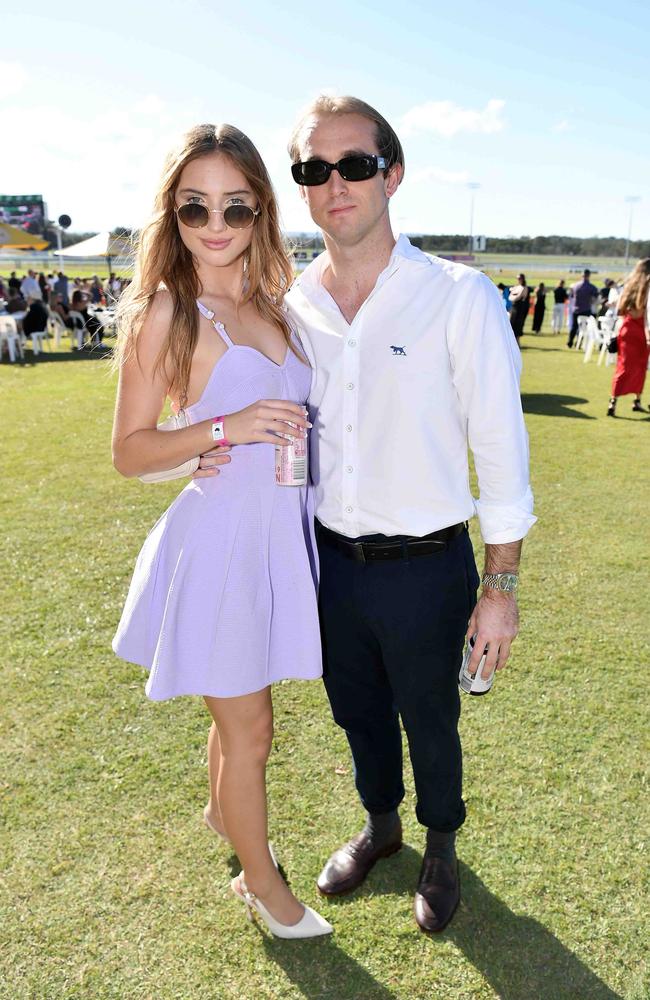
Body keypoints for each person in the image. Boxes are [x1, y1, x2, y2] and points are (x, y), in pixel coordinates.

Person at [201, 94, 535, 933]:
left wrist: (500, 587)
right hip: (328, 562)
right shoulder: (290, 303)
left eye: (353, 165)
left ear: (392, 174)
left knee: (431, 715)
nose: (334, 184)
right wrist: (210, 445)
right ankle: (382, 827)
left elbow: (500, 451)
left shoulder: (458, 297)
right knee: (356, 711)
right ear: (302, 190)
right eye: (314, 170)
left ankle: (441, 846)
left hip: (428, 564)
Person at [111, 123, 332, 940]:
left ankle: (221, 813)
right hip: (218, 546)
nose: (214, 225)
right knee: (253, 726)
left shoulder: (273, 301)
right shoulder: (169, 308)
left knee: (243, 714)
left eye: (235, 208)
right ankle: (262, 882)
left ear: (260, 211)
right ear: (172, 212)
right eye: (195, 206)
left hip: (278, 537)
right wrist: (222, 427)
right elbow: (130, 451)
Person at [607, 258, 650, 416]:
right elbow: (645, 314)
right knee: (640, 367)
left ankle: (613, 401)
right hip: (640, 331)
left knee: (623, 367)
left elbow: (619, 310)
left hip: (625, 329)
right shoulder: (646, 287)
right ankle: (636, 399)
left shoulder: (628, 286)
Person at [567, 269, 598, 348]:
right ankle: (579, 342)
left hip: (576, 309)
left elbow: (571, 296)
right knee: (584, 328)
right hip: (586, 309)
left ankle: (569, 342)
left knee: (574, 327)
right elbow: (595, 298)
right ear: (589, 276)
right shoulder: (591, 287)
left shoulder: (575, 285)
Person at [509, 273, 530, 342]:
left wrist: (513, 295)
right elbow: (510, 296)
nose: (518, 280)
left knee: (518, 325)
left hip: (519, 308)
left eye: (519, 278)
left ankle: (517, 343)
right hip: (514, 308)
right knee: (511, 324)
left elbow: (517, 297)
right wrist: (513, 295)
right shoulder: (517, 287)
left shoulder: (524, 287)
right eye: (517, 278)